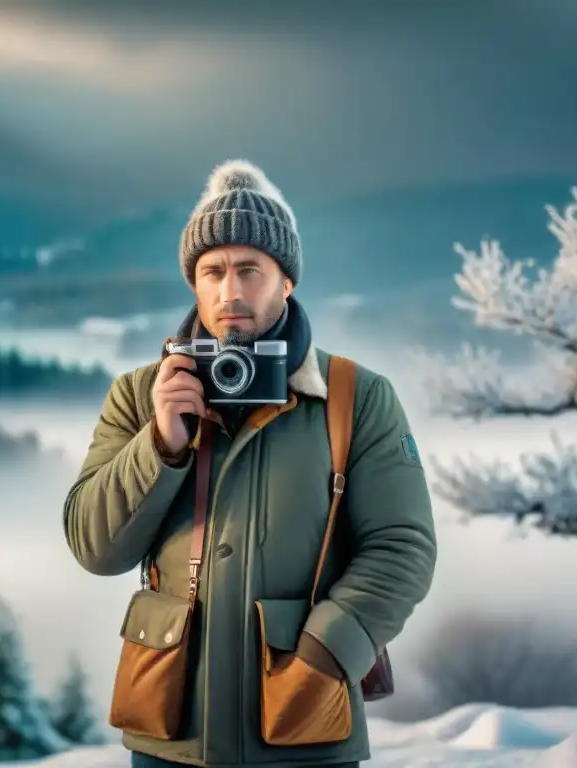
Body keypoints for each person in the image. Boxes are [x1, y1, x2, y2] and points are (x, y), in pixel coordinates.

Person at [63, 160, 437, 767]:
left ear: (285, 281)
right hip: (170, 737)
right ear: (193, 282)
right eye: (212, 272)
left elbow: (404, 547)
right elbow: (94, 547)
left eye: (249, 271)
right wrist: (159, 445)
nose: (229, 292)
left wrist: (325, 653)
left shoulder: (355, 397)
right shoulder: (138, 395)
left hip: (306, 731)